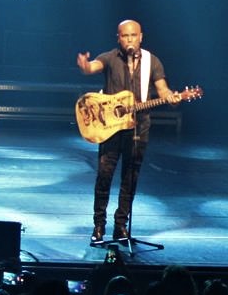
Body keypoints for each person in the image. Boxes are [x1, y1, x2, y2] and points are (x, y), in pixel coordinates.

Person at [77, 19, 182, 244]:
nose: (130, 40)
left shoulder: (151, 62)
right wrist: (86, 66)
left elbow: (162, 89)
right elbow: (93, 66)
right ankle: (98, 225)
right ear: (118, 38)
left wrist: (173, 98)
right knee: (105, 175)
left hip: (139, 128)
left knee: (130, 177)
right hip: (110, 128)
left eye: (133, 35)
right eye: (125, 36)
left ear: (141, 37)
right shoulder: (110, 57)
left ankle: (121, 225)